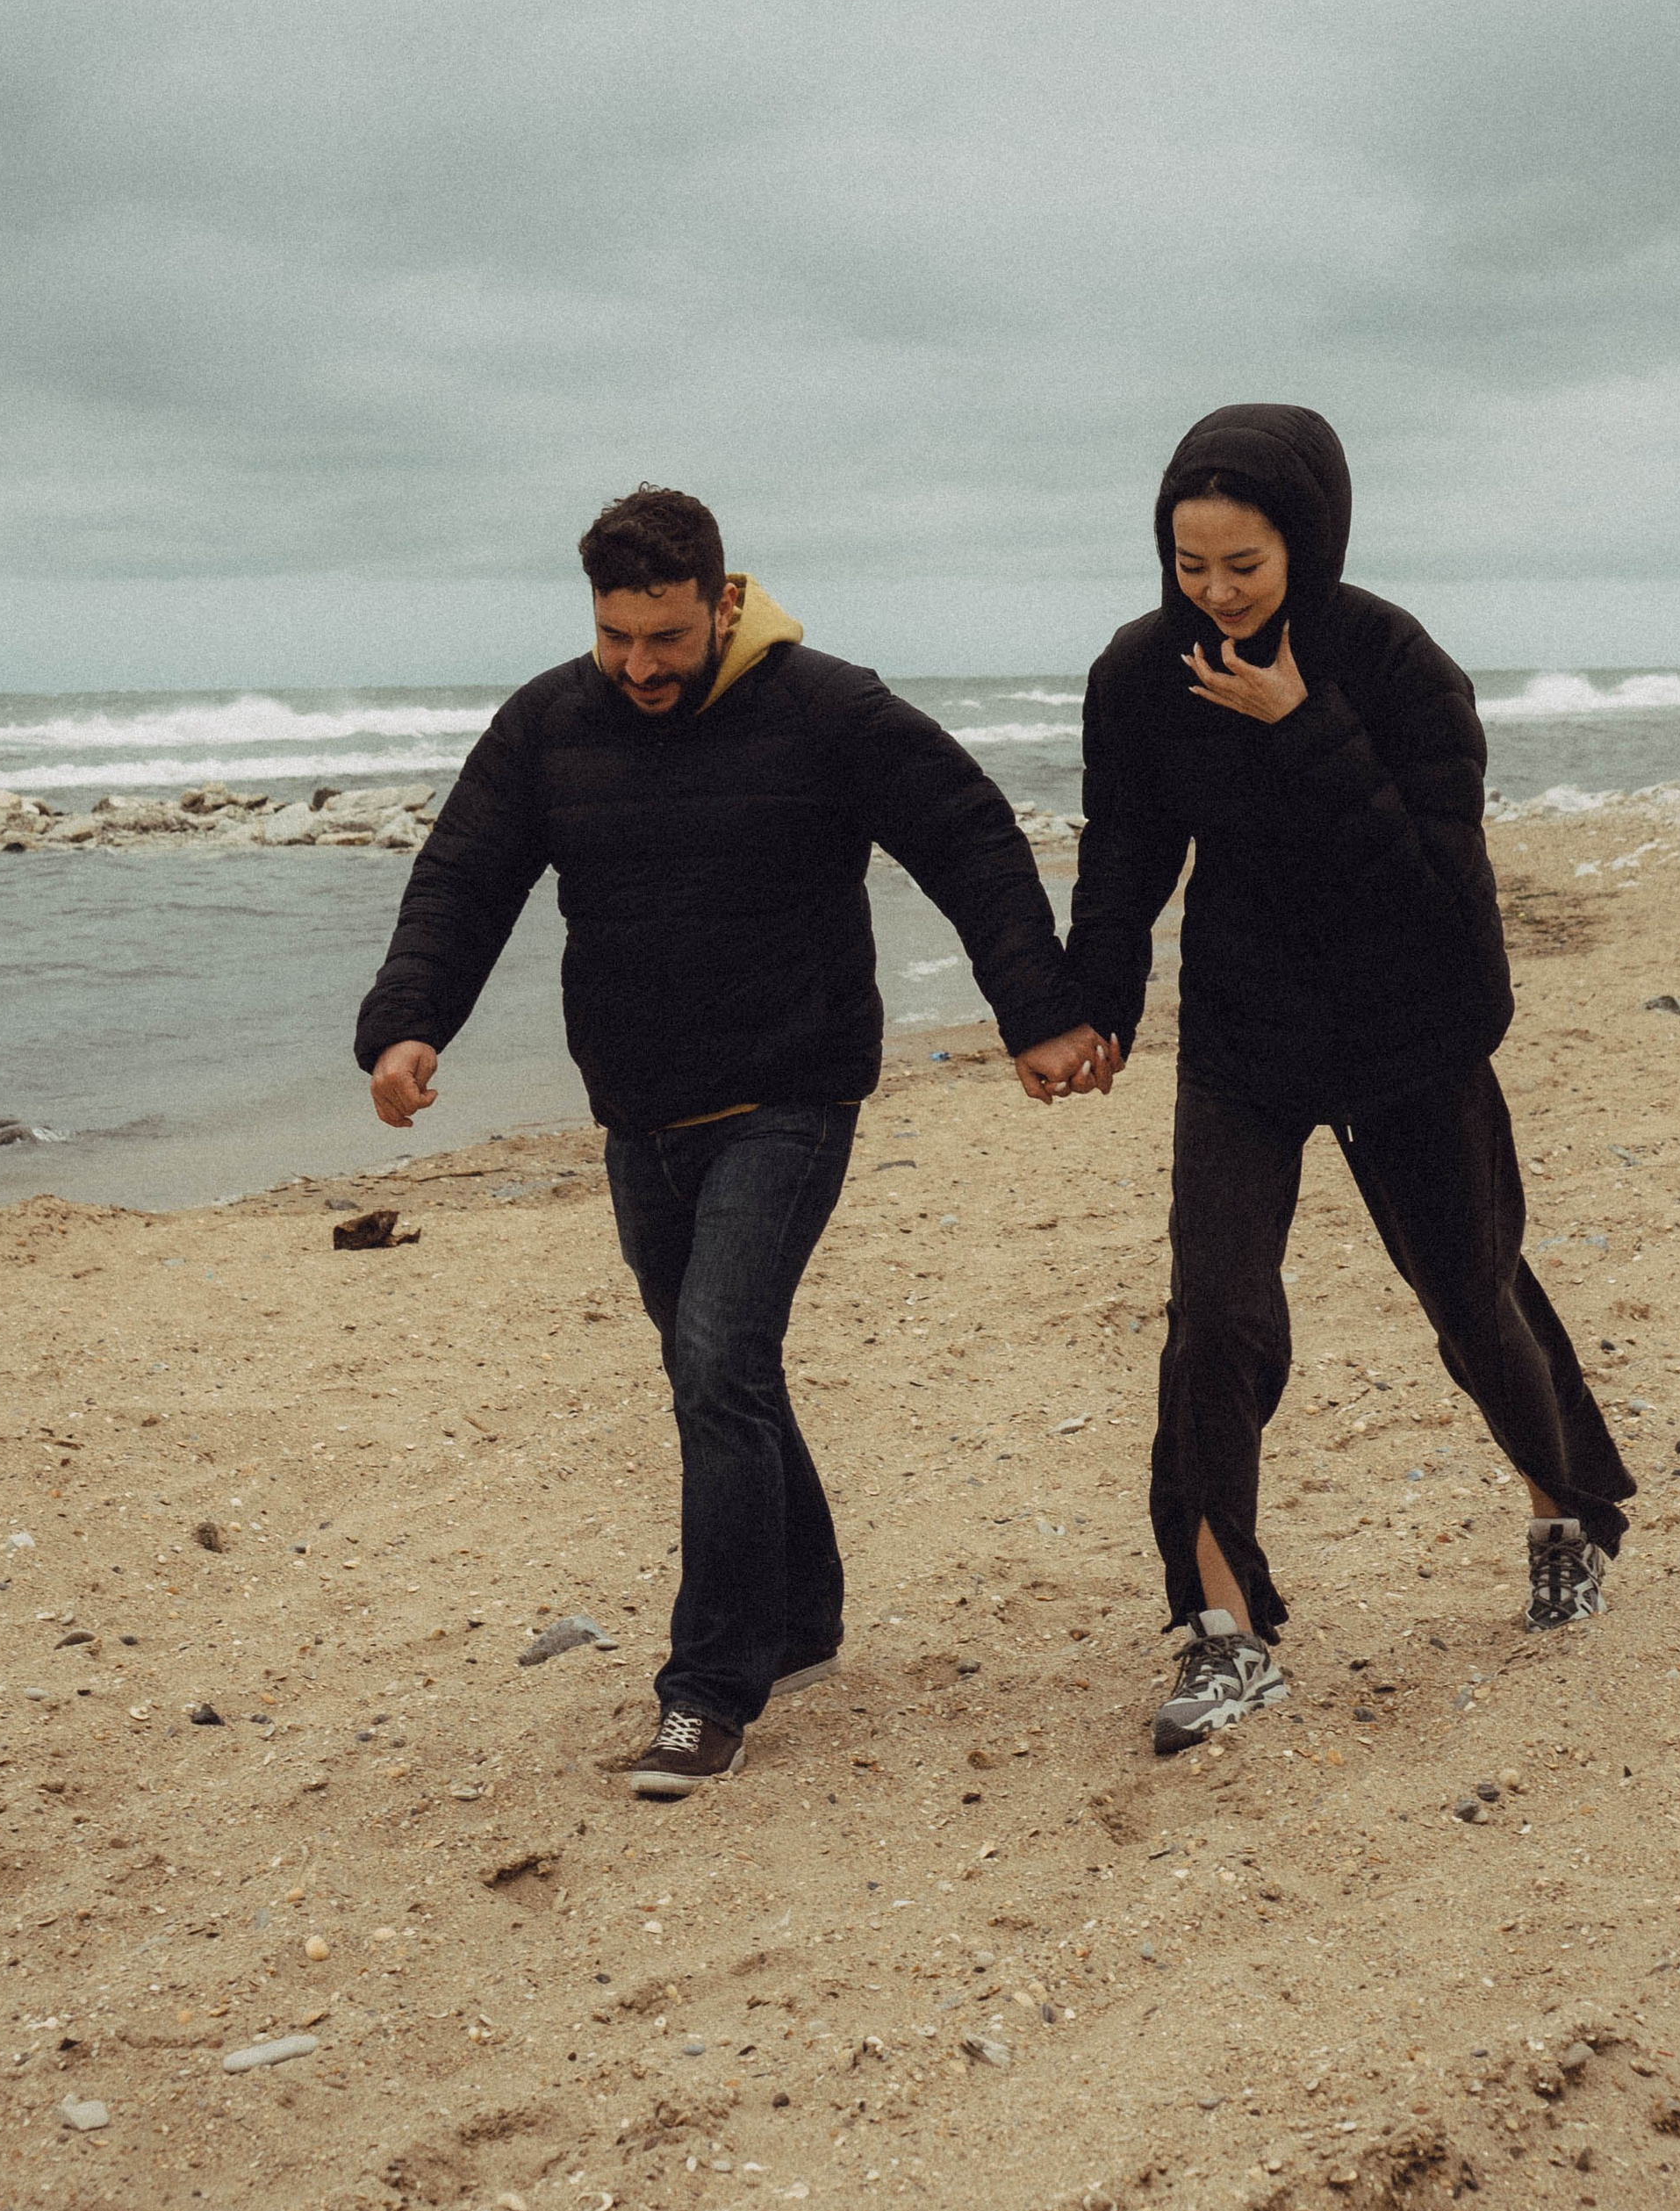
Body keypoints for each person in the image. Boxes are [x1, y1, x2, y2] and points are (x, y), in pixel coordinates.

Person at [355, 485, 1113, 1798]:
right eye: (614, 638)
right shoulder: (548, 722)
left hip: (792, 1092)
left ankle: (707, 1690)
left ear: (723, 601)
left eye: (664, 636)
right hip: (640, 1110)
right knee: (727, 1375)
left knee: (715, 1362)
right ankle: (803, 1619)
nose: (639, 666)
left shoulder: (826, 708)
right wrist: (409, 1025)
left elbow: (970, 837)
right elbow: (466, 875)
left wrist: (1038, 1012)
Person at [1066, 405, 1633, 1758]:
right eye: (1190, 563)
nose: (1214, 592)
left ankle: (1567, 1512)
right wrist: (1092, 1008)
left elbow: (1436, 904)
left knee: (1473, 1295)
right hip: (1248, 1032)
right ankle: (1224, 1633)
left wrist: (1307, 721)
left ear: (1305, 544)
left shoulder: (1393, 665)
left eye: (1243, 567)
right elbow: (1125, 857)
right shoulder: (1145, 673)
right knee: (1215, 1314)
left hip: (1410, 1026)